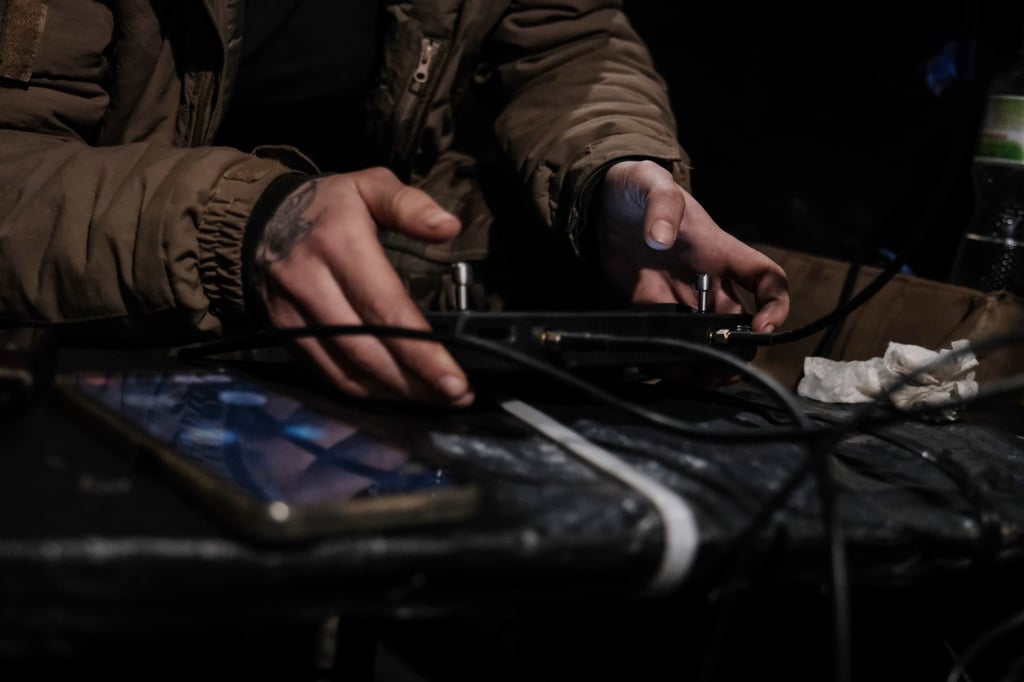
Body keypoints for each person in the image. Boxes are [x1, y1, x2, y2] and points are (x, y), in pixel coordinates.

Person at [0, 0, 789, 408]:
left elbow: (569, 40)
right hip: (91, 353)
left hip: (367, 357)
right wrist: (242, 227)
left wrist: (616, 171)